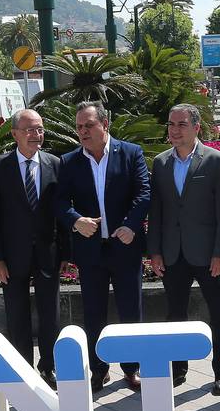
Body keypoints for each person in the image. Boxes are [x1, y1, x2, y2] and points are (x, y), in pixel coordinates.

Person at [55, 101, 151, 393]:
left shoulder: (130, 153)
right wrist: (75, 220)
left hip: (124, 247)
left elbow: (144, 192)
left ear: (105, 125)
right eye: (80, 127)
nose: (83, 131)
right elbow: (59, 202)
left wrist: (131, 225)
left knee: (130, 312)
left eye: (89, 125)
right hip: (90, 251)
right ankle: (99, 370)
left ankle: (131, 369)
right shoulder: (69, 161)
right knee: (93, 312)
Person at [149, 104, 220, 396]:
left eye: (181, 124)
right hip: (173, 254)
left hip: (208, 253)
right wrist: (155, 251)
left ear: (197, 128)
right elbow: (157, 211)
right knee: (175, 314)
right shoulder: (160, 163)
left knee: (219, 312)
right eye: (171, 124)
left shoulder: (215, 160)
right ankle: (178, 370)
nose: (174, 130)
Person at [0, 108, 62, 387]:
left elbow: (62, 213)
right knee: (16, 314)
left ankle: (49, 367)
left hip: (47, 254)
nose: (36, 135)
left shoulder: (55, 163)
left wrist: (63, 253)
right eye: (29, 129)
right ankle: (22, 368)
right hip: (12, 256)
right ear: (14, 133)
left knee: (50, 314)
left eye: (39, 129)